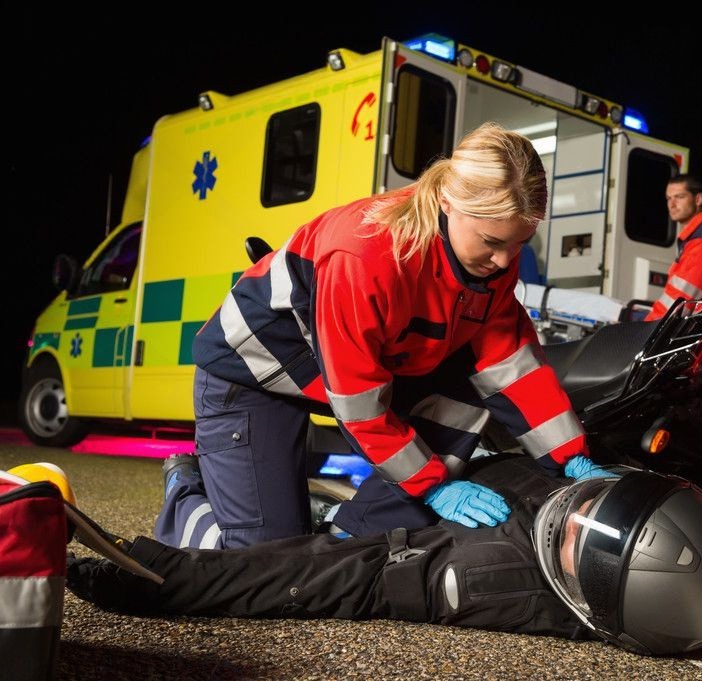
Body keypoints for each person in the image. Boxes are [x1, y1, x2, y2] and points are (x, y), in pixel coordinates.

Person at [157, 122, 609, 550]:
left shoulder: (488, 268)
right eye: (492, 241)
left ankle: (349, 533)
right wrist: (433, 488)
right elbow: (358, 400)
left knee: (464, 392)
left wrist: (571, 458)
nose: (504, 261)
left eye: (519, 244)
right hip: (252, 372)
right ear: (447, 202)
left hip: (339, 374)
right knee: (264, 560)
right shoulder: (367, 253)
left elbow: (510, 364)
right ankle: (186, 487)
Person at [67, 455, 702, 656]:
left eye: (582, 535)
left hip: (390, 524)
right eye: (599, 501)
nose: (574, 510)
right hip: (427, 484)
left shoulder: (487, 577)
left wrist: (145, 578)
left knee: (229, 546)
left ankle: (183, 482)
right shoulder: (578, 535)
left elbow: (306, 578)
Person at [645, 175, 702, 327]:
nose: (672, 204)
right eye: (668, 198)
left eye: (679, 197)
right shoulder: (697, 237)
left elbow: (677, 304)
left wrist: (643, 330)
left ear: (698, 199)